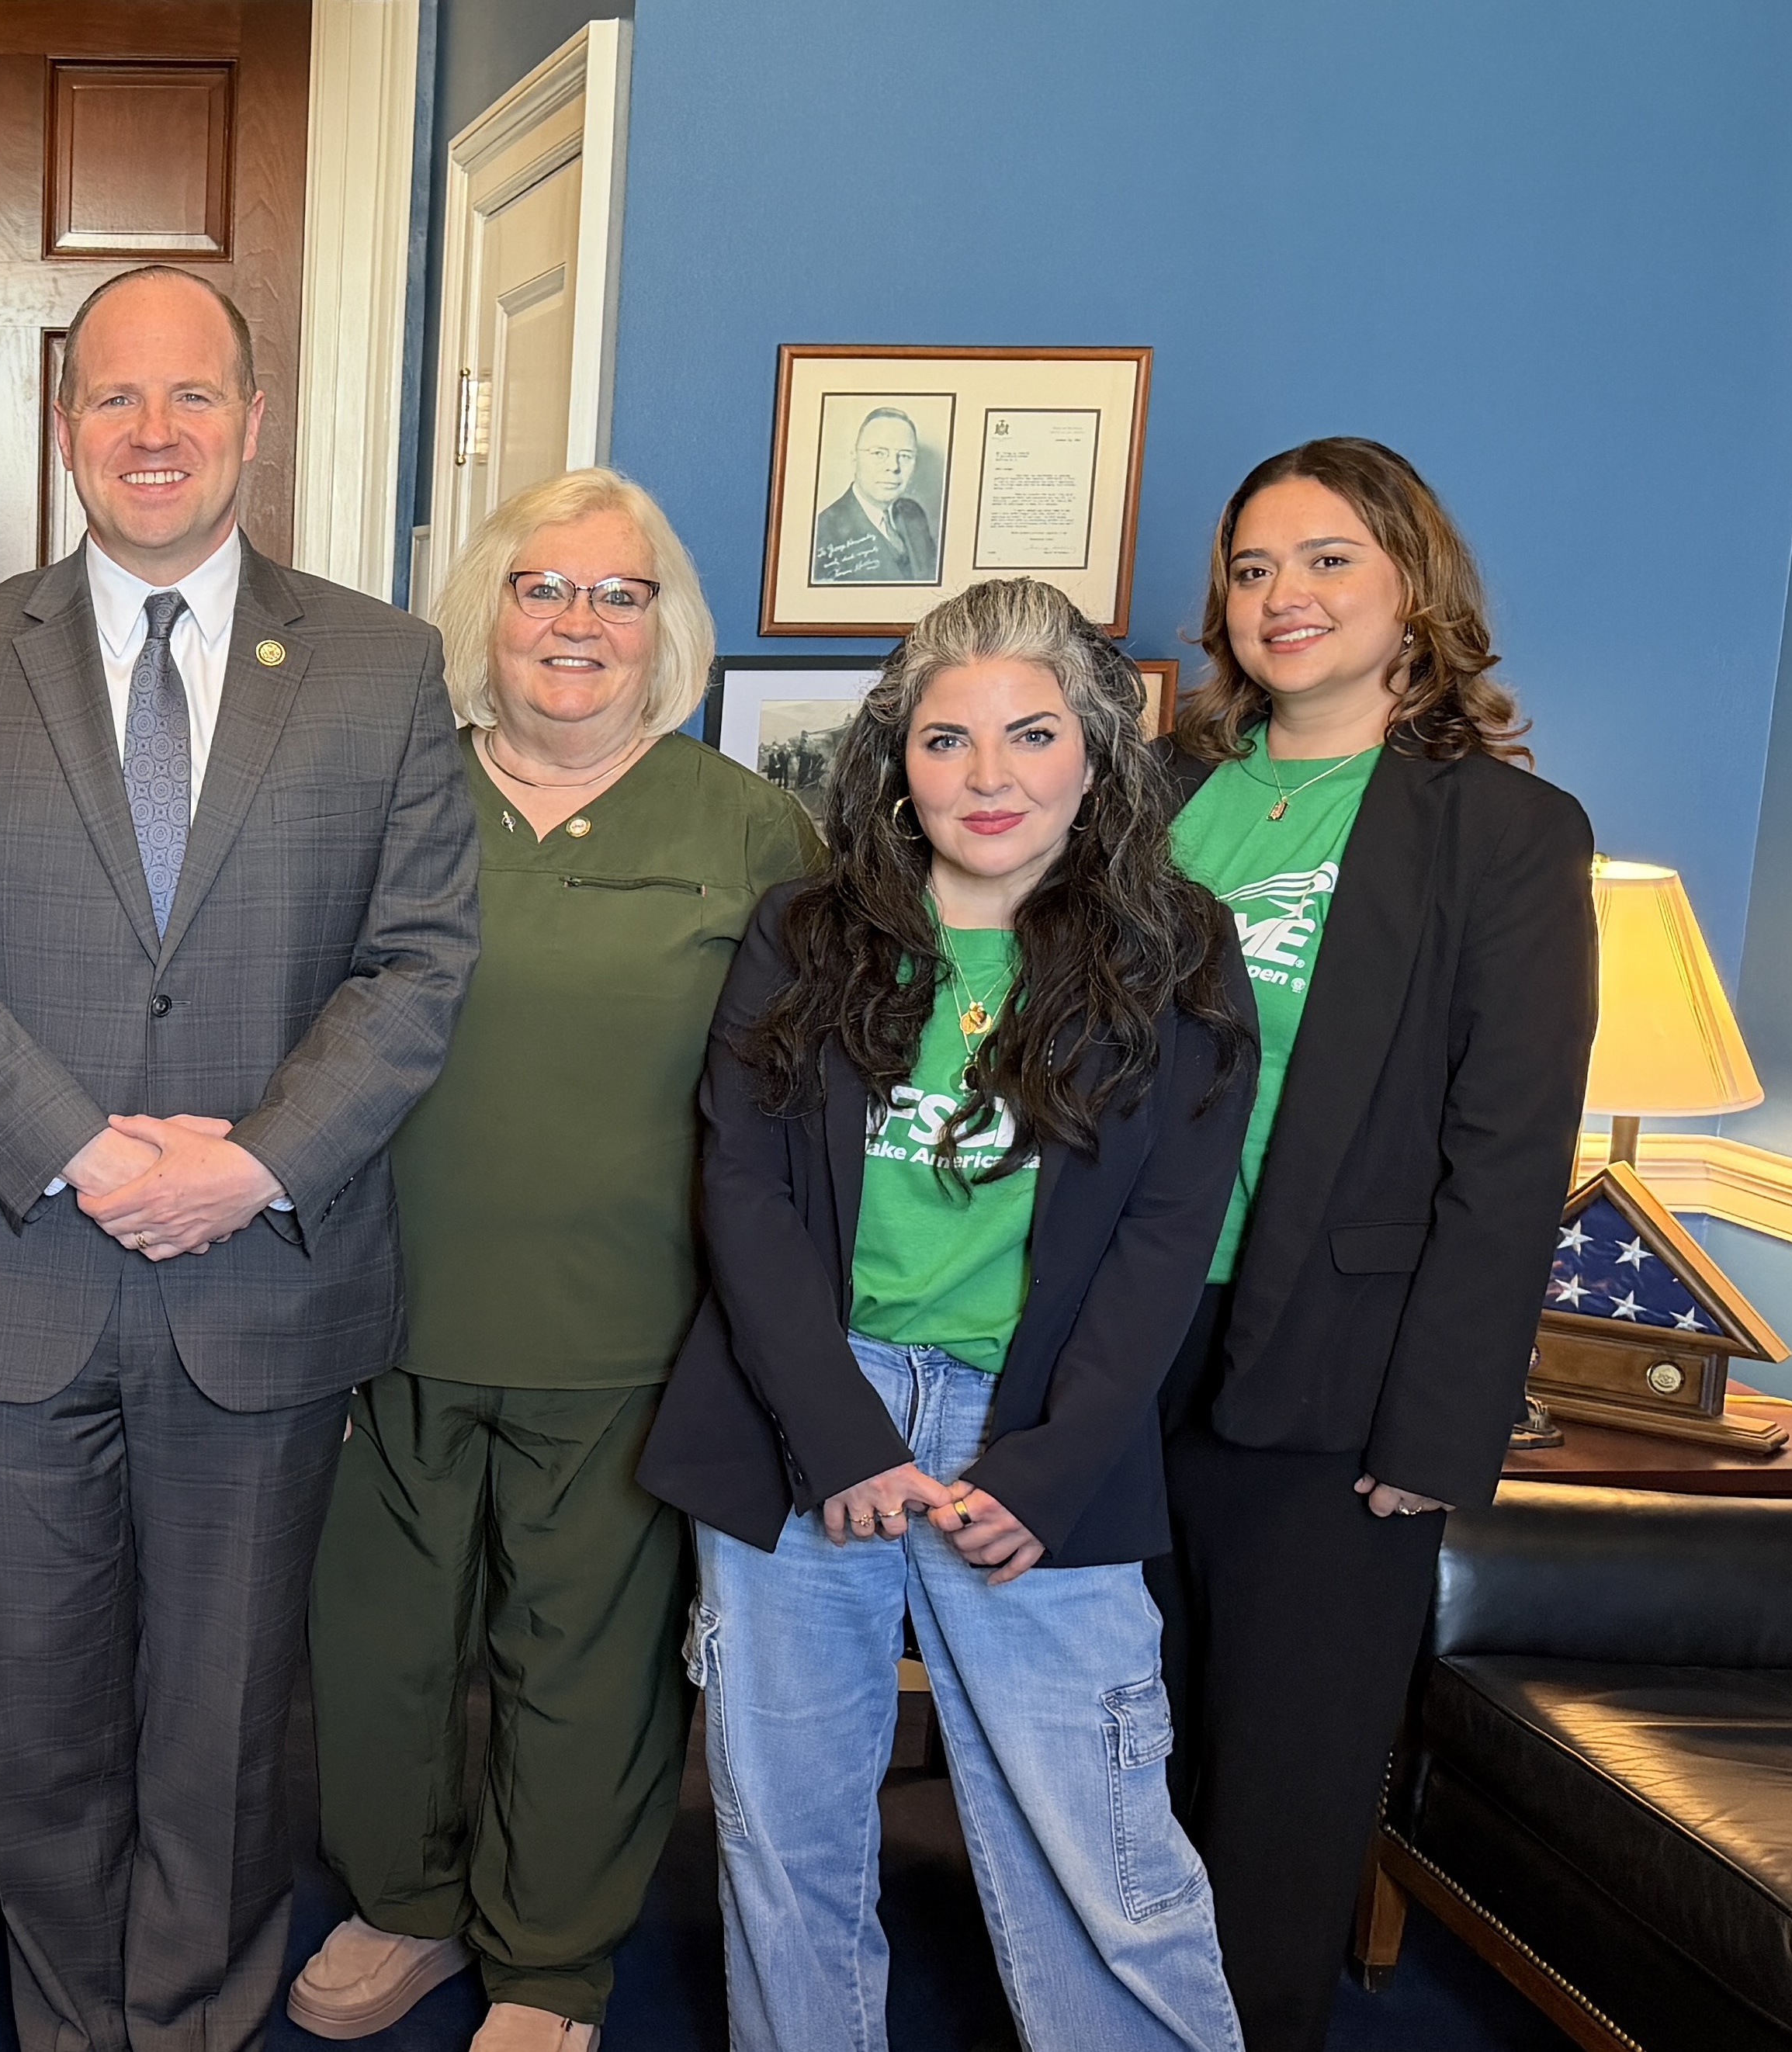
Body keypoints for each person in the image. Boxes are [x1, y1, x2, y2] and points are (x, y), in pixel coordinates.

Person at [0, 262, 480, 2052]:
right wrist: (78, 1148)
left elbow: (418, 959)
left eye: (189, 396)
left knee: (221, 1716)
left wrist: (257, 1162)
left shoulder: (379, 663)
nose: (152, 432)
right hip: (9, 1274)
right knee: (37, 1718)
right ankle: (68, 2024)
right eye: (113, 398)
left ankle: (192, 2019)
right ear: (65, 431)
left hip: (262, 1284)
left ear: (254, 422)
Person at [642, 576, 1257, 2052]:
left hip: (1040, 1430)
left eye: (1030, 734)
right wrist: (838, 1437)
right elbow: (745, 1192)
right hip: (807, 1423)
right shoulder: (802, 931)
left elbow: (1165, 1239)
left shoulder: (1175, 952)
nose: (987, 776)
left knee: (1107, 1861)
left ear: (1095, 757)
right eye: (944, 739)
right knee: (783, 1852)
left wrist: (1037, 1472)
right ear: (893, 763)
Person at [288, 468, 814, 2052]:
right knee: (377, 1652)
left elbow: (812, 1097)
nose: (577, 622)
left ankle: (550, 1962)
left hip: (627, 1331)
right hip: (382, 1309)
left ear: (667, 629)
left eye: (617, 592)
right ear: (489, 613)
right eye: (543, 587)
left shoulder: (748, 826)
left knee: (582, 1665)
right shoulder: (393, 798)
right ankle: (407, 1902)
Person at [1149, 438, 1596, 2052]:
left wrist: (1439, 1426)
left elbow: (1509, 1149)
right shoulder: (1164, 793)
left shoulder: (1502, 832)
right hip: (1127, 1349)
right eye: (1255, 568)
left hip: (1335, 1377)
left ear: (1415, 581)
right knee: (1131, 1755)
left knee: (1280, 1785)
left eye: (1328, 558)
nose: (1285, 596)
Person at [809, 405, 939, 585]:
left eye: (905, 456)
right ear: (854, 457)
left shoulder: (914, 513)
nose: (893, 466)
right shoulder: (824, 530)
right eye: (879, 453)